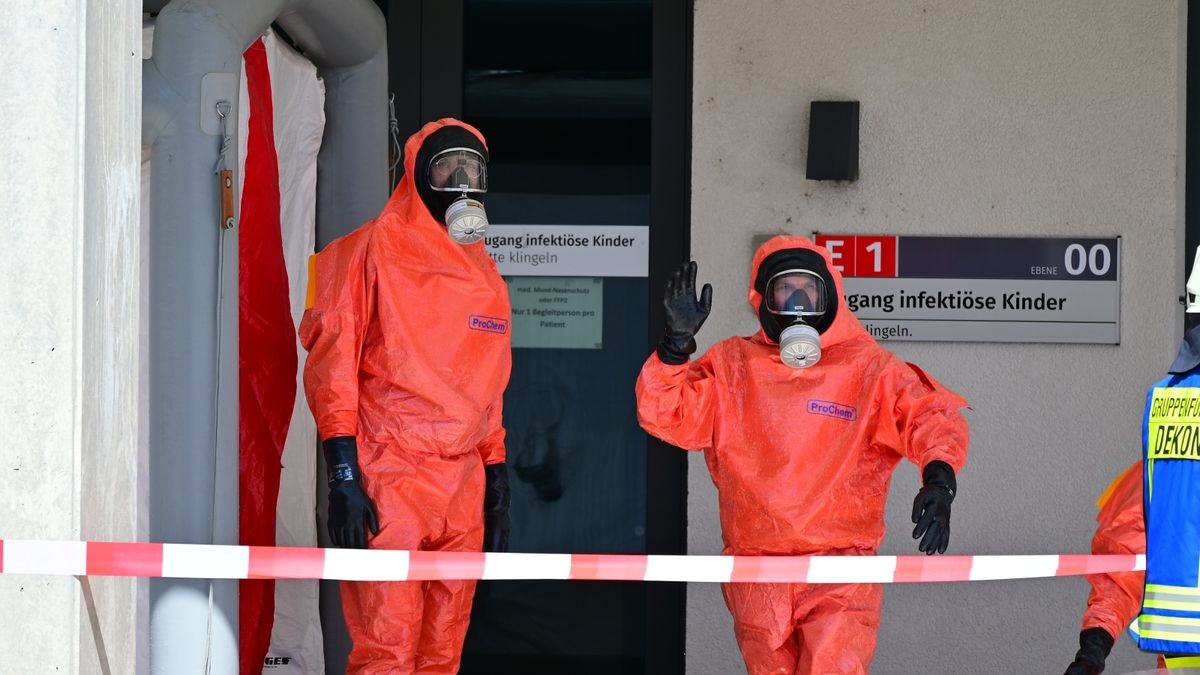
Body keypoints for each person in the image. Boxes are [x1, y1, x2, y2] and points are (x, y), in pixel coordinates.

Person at [635, 235, 969, 674]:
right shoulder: (734, 365)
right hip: (757, 569)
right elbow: (665, 413)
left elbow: (930, 417)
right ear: (764, 301)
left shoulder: (869, 368)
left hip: (840, 571)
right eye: (783, 291)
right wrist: (674, 346)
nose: (796, 302)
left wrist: (940, 479)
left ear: (829, 294)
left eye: (807, 290)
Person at [299, 118, 512, 673]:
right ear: (418, 176)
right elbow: (332, 366)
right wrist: (343, 476)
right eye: (448, 168)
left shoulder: (486, 273)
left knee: (443, 649)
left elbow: (489, 384)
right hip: (389, 473)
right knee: (387, 648)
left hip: (461, 482)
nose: (463, 181)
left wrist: (497, 477)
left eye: (474, 169)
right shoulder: (362, 251)